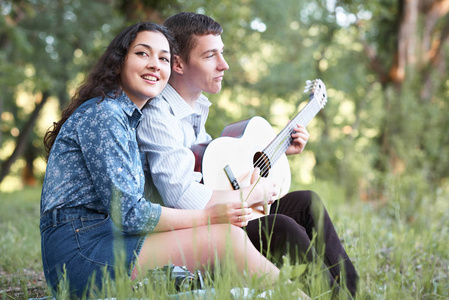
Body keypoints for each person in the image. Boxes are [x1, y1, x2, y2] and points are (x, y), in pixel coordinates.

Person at [40, 22, 285, 298]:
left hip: (111, 239)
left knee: (230, 237)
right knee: (226, 239)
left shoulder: (126, 118)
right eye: (143, 54)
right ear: (120, 61)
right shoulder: (105, 115)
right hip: (82, 252)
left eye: (164, 58)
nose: (155, 64)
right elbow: (130, 214)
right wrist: (206, 217)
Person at [136, 12, 359, 298]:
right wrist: (252, 195)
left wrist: (277, 153)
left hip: (214, 216)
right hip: (185, 235)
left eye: (222, 53)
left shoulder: (193, 111)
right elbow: (183, 198)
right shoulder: (158, 117)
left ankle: (355, 292)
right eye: (210, 56)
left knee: (307, 203)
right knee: (280, 226)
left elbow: (214, 171)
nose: (224, 64)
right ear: (178, 63)